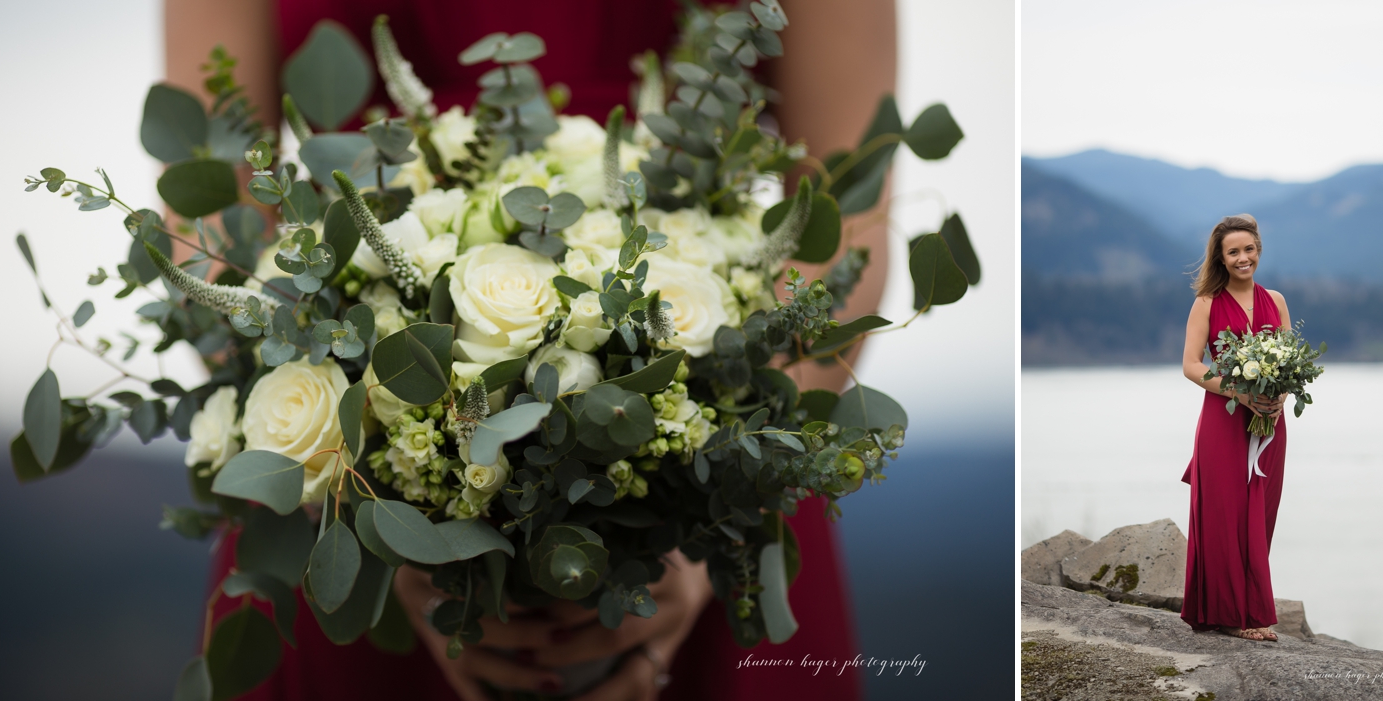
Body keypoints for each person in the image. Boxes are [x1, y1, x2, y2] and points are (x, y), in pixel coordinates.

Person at [178, 1, 897, 698]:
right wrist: (376, 521)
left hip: (710, 518)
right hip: (352, 526)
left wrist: (708, 515)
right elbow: (208, 235)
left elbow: (843, 223)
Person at [1177, 213, 1289, 643]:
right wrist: (1239, 394)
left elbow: (1287, 361)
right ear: (1221, 258)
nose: (1243, 258)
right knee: (1225, 515)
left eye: (1249, 249)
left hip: (1268, 423)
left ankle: (1250, 608)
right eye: (1233, 252)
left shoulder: (1275, 300)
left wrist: (1279, 397)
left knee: (1259, 514)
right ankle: (1229, 615)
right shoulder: (1207, 302)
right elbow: (1191, 365)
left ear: (1258, 250)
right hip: (1223, 421)